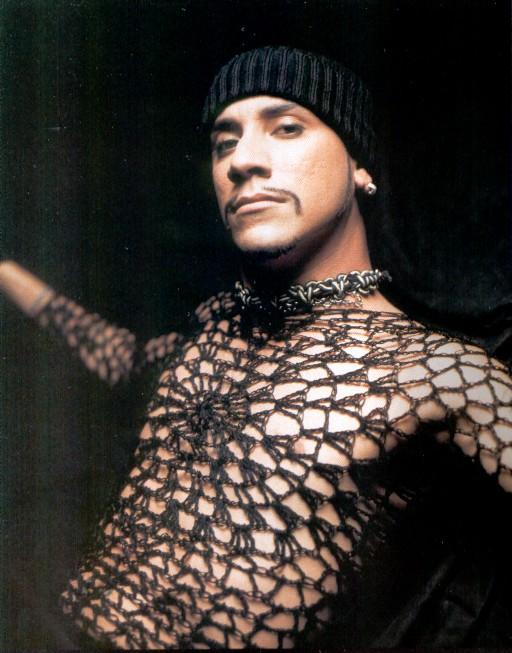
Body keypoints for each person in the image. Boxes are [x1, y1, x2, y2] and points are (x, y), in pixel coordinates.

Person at [1, 46, 511, 649]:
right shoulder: (213, 324)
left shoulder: (440, 371)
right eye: (225, 143)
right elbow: (124, 358)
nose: (242, 161)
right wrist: (7, 272)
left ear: (360, 167)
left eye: (287, 128)